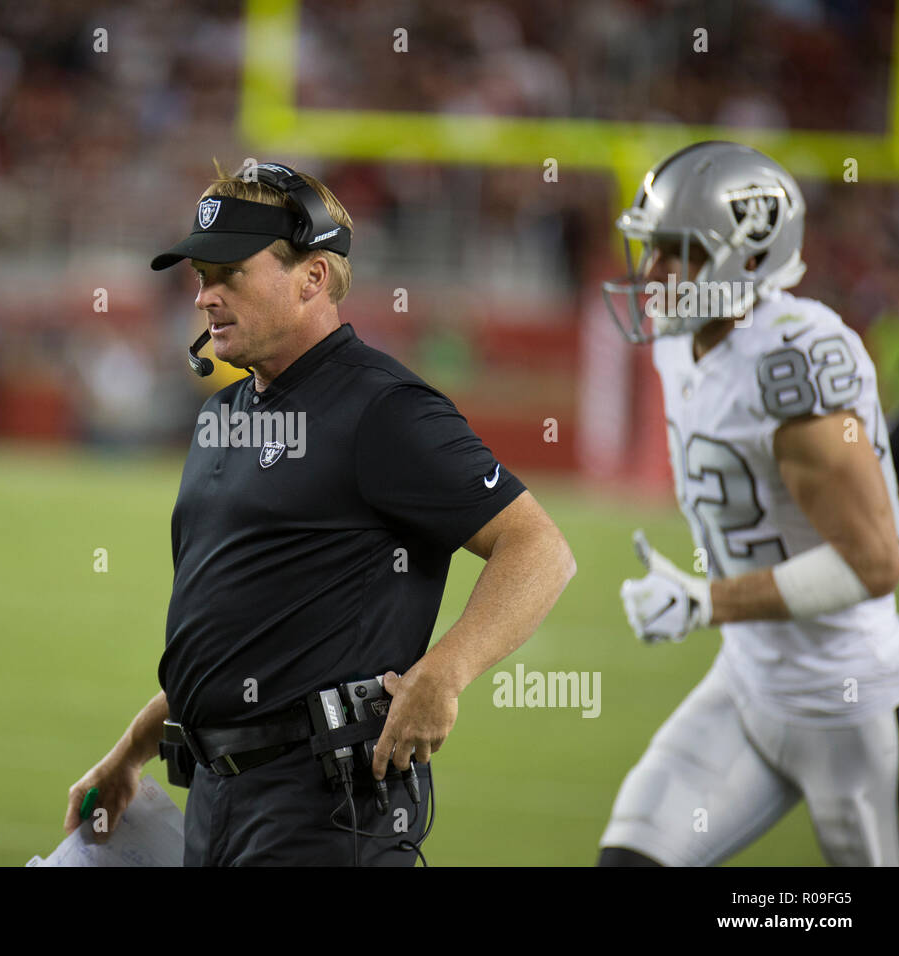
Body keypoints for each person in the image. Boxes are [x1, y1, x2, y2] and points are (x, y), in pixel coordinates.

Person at [63, 160, 576, 866]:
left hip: (326, 810)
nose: (206, 297)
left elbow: (539, 547)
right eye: (200, 277)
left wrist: (445, 672)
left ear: (312, 279)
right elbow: (241, 634)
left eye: (229, 274)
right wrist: (133, 750)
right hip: (216, 798)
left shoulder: (383, 410)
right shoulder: (226, 412)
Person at [599, 141, 899, 866]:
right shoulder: (681, 342)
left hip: (847, 702)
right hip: (747, 682)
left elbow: (874, 564)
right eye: (652, 249)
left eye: (678, 252)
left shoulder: (792, 363)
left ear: (751, 260)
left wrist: (707, 601)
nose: (654, 273)